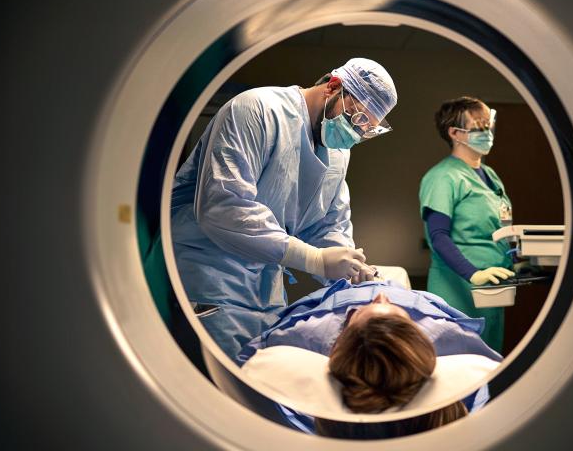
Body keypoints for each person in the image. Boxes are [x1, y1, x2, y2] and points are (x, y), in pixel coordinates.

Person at [170, 58, 398, 361]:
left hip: (266, 291)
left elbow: (327, 224)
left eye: (368, 129)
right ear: (333, 87)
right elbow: (223, 206)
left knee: (261, 383)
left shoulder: (338, 153)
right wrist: (313, 259)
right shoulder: (256, 110)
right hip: (211, 281)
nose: (356, 134)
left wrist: (351, 270)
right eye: (357, 120)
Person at [238, 281, 499, 438]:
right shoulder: (448, 337)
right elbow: (501, 383)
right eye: (401, 316)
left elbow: (242, 370)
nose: (381, 294)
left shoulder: (307, 335)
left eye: (358, 313)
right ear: (420, 334)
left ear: (339, 339)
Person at [418, 96, 518, 352]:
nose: (487, 133)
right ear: (455, 133)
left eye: (489, 126)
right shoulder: (443, 177)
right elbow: (438, 237)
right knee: (458, 366)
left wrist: (518, 257)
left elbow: (501, 225)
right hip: (459, 289)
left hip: (492, 289)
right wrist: (473, 273)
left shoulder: (490, 175)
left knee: (488, 364)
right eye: (479, 127)